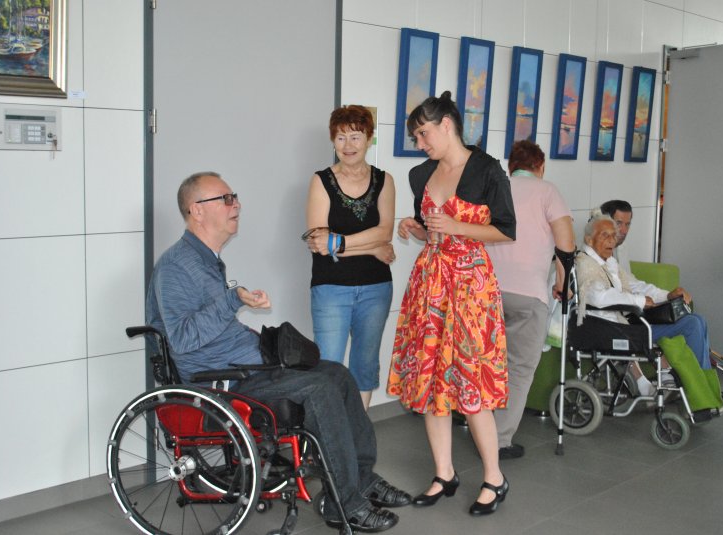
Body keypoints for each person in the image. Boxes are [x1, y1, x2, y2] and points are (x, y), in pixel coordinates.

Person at [146, 171, 411, 533]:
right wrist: (232, 300)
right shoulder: (177, 266)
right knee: (319, 389)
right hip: (222, 384)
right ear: (197, 210)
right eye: (226, 199)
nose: (236, 205)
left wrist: (254, 336)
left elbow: (215, 327)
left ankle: (362, 479)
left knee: (338, 373)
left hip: (249, 368)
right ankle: (344, 503)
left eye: (235, 197)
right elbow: (182, 339)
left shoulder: (206, 259)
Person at [386, 92, 516, 516]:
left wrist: (457, 225)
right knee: (429, 380)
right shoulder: (421, 174)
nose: (420, 144)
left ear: (446, 124)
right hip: (431, 283)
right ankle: (444, 473)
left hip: (470, 287)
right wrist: (418, 228)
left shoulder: (487, 169)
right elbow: (434, 231)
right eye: (415, 137)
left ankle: (494, 477)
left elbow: (506, 230)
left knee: (471, 381)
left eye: (423, 134)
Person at [486, 140, 574, 460]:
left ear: (511, 166)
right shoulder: (548, 191)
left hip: (486, 291)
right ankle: (498, 441)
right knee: (519, 369)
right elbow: (566, 245)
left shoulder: (494, 189)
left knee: (487, 364)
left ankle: (477, 426)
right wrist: (562, 283)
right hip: (528, 294)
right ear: (541, 166)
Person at [304, 105, 395, 410]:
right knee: (328, 366)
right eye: (340, 138)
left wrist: (339, 243)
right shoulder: (321, 180)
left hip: (376, 287)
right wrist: (371, 247)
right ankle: (331, 433)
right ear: (333, 141)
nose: (348, 145)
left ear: (369, 138)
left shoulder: (384, 180)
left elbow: (385, 233)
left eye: (355, 137)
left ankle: (359, 430)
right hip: (331, 287)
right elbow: (318, 241)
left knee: (365, 364)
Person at [576, 214, 712, 396]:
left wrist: (667, 295)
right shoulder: (585, 264)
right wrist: (638, 301)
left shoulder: (609, 263)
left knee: (697, 320)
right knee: (692, 324)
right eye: (604, 235)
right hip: (613, 329)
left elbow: (635, 285)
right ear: (588, 239)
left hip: (628, 323)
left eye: (613, 235)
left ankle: (705, 386)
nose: (612, 241)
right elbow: (598, 297)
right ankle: (701, 390)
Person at [600, 199, 633, 275]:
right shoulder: (589, 253)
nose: (624, 231)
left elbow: (627, 277)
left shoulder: (622, 246)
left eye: (627, 224)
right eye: (618, 223)